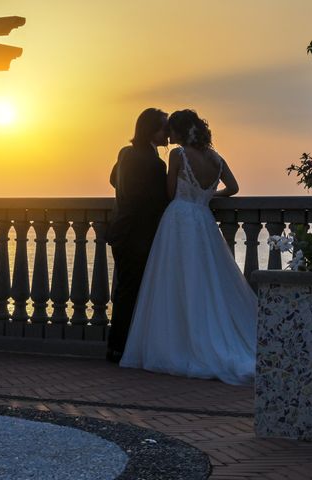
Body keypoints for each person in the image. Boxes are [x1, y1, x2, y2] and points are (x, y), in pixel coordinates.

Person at [119, 109, 256, 385]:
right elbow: (234, 187)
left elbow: (170, 192)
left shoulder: (177, 156)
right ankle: (202, 337)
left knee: (174, 281)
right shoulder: (216, 158)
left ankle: (180, 342)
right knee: (205, 282)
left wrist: (188, 195)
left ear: (180, 132)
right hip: (203, 220)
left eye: (171, 130)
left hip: (179, 219)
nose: (168, 135)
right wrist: (207, 196)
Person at [105, 108, 170, 363]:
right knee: (132, 292)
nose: (167, 132)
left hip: (121, 230)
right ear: (152, 130)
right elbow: (158, 199)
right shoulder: (154, 163)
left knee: (124, 290)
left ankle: (117, 347)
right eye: (164, 127)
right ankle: (122, 348)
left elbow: (113, 180)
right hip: (138, 235)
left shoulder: (126, 153)